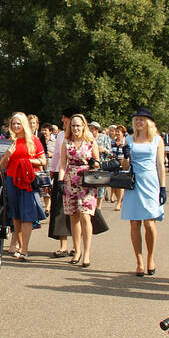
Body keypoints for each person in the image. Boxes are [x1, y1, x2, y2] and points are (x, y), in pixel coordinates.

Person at [120, 108, 166, 277]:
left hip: (151, 182)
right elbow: (124, 166)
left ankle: (150, 257)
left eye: (142, 119)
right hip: (134, 182)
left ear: (149, 122)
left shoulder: (157, 140)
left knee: (149, 223)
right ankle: (139, 261)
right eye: (136, 119)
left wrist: (163, 187)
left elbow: (160, 165)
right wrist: (125, 156)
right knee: (134, 223)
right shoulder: (129, 139)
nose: (139, 122)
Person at [0, 112, 47, 261]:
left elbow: (43, 161)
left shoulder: (34, 140)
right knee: (15, 213)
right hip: (12, 179)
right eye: (13, 123)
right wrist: (7, 155)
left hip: (27, 179)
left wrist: (28, 161)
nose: (15, 126)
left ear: (24, 124)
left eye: (18, 123)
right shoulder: (9, 141)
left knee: (27, 213)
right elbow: (1, 166)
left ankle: (24, 249)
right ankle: (20, 246)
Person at [58, 114, 100, 267]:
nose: (76, 128)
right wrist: (60, 181)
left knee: (85, 215)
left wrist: (93, 162)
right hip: (70, 179)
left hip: (87, 181)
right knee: (73, 216)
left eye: (78, 126)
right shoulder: (66, 142)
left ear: (84, 127)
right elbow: (63, 164)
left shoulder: (90, 141)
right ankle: (77, 250)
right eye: (73, 126)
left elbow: (98, 163)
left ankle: (87, 252)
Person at [48, 106, 80, 257]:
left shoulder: (84, 136)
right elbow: (56, 157)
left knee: (78, 212)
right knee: (60, 212)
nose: (62, 120)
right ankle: (63, 246)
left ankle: (76, 246)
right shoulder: (61, 135)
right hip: (62, 177)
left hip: (78, 178)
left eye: (64, 117)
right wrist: (52, 176)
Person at [110, 125, 128, 211]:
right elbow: (110, 152)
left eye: (118, 132)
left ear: (123, 133)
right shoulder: (112, 141)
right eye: (116, 131)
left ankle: (119, 203)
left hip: (122, 165)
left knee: (120, 184)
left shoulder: (125, 142)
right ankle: (119, 200)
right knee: (115, 185)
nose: (117, 133)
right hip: (114, 165)